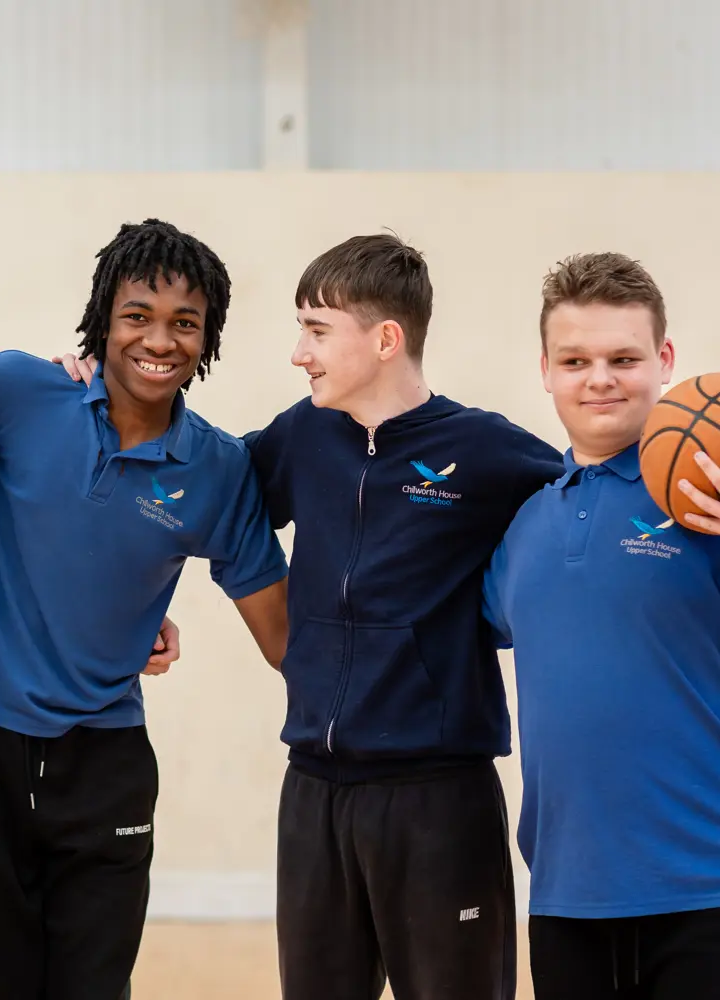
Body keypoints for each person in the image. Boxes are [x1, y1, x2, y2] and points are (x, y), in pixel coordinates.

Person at [60, 231, 566, 999]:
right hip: (313, 795)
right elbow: (199, 493)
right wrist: (129, 609)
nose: (299, 352)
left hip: (440, 798)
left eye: (317, 330)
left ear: (387, 339)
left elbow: (586, 508)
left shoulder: (488, 452)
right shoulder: (304, 436)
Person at [0, 218, 289, 1000]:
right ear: (101, 321)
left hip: (105, 761)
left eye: (186, 322)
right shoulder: (14, 389)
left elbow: (285, 637)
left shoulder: (218, 470)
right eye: (138, 315)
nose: (161, 339)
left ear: (208, 335)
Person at [483, 252, 720, 999]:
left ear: (666, 361)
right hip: (562, 896)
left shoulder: (706, 499)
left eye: (624, 357)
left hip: (702, 892)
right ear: (546, 370)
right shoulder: (523, 524)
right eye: (576, 359)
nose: (600, 378)